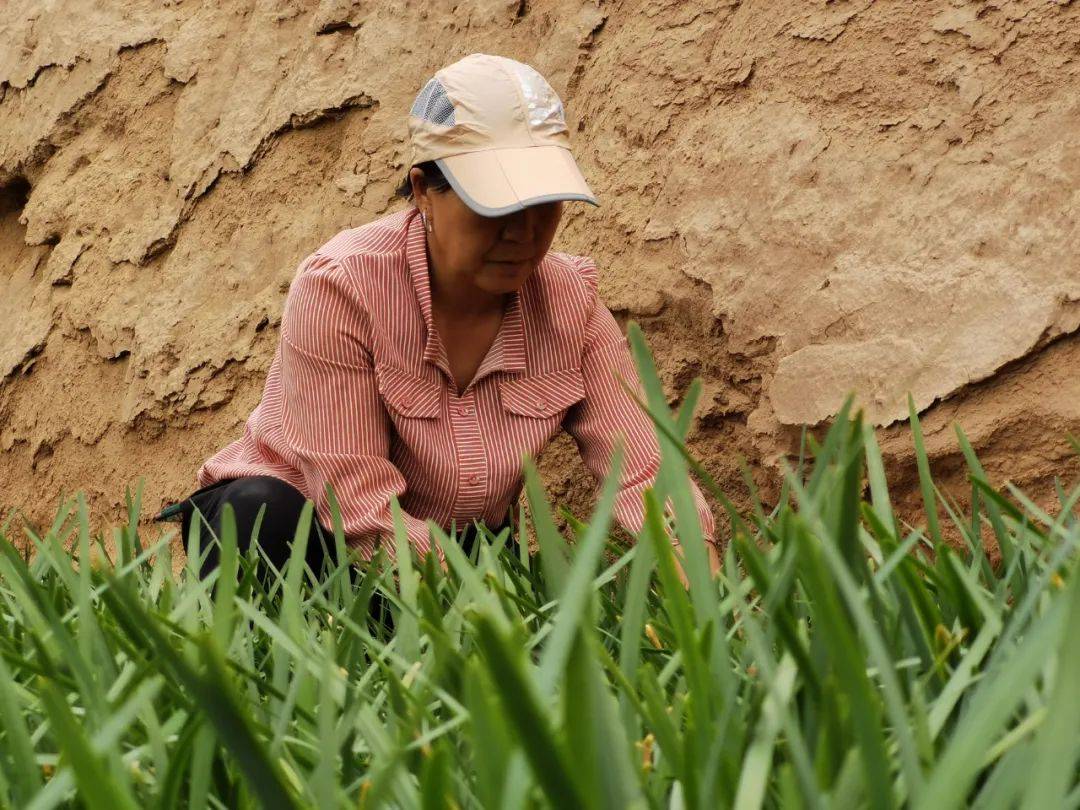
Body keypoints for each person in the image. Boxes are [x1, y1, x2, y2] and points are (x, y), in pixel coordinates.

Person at [154, 52, 720, 598]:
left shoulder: (571, 302)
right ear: (424, 190)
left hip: (454, 552)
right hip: (315, 533)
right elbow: (355, 505)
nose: (524, 233)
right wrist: (501, 603)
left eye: (544, 205)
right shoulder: (342, 287)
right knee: (257, 515)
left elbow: (644, 469)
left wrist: (704, 591)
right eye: (497, 206)